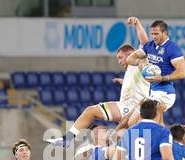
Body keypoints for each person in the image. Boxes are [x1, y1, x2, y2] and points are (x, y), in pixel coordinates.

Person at [46, 17, 150, 148]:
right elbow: (137, 84)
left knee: (93, 113)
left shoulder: (139, 59)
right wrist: (123, 81)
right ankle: (68, 140)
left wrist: (137, 24)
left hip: (133, 107)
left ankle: (68, 140)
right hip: (128, 106)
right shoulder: (132, 68)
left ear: (130, 53)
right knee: (121, 141)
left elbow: (145, 42)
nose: (119, 61)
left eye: (120, 57)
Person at [126, 19, 185, 112]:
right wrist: (140, 63)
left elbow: (182, 73)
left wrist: (162, 78)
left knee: (143, 113)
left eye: (156, 34)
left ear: (164, 33)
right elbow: (129, 59)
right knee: (146, 117)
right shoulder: (150, 46)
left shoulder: (172, 48)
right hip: (153, 91)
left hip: (165, 93)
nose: (154, 37)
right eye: (152, 34)